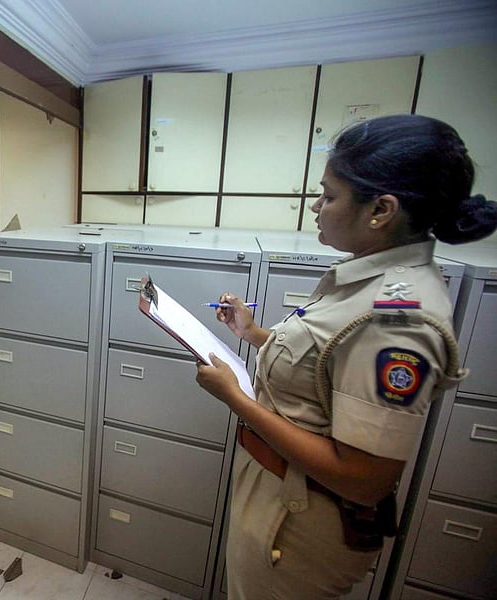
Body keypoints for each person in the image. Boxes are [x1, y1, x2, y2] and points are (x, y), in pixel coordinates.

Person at [195, 114, 497, 599]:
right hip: (279, 493)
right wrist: (253, 334)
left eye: (329, 195)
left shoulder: (398, 320)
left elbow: (364, 479)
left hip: (297, 522)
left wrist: (236, 399)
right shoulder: (369, 281)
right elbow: (323, 368)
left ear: (381, 210)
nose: (317, 207)